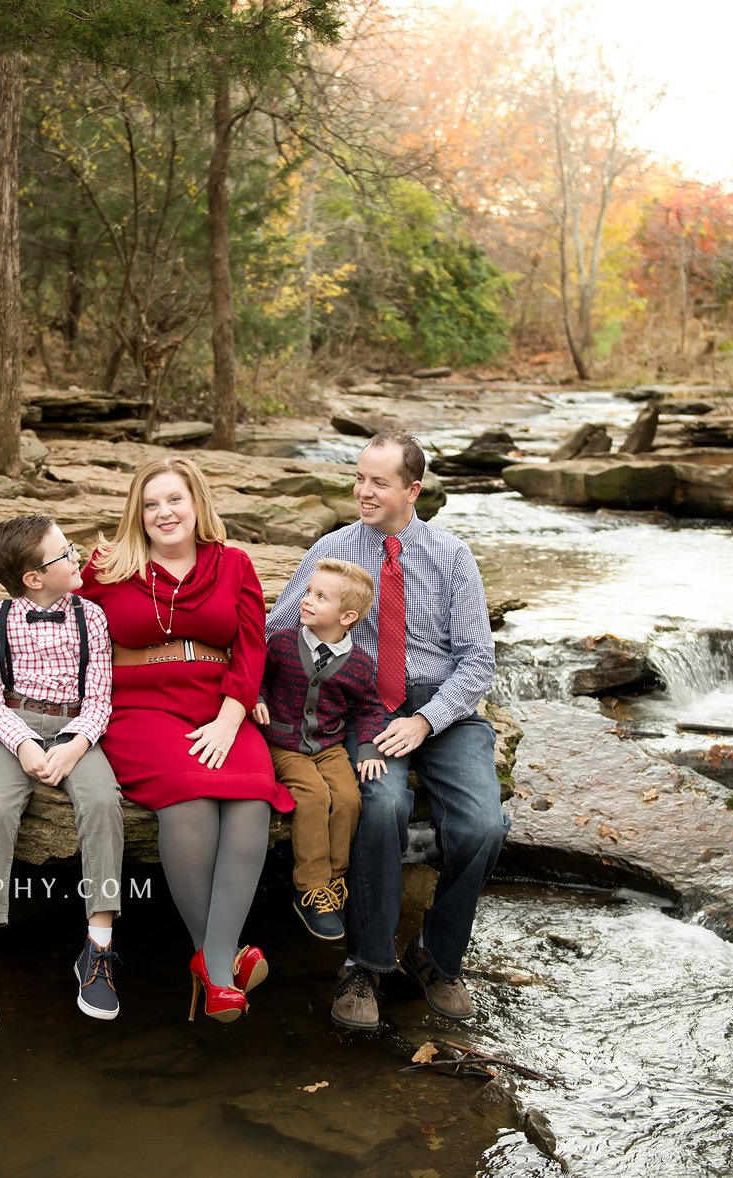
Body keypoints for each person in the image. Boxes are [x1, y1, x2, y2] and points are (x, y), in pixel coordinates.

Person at [265, 431, 502, 1031]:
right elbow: (277, 628)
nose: (362, 491)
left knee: (482, 825)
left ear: (411, 490)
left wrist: (427, 720)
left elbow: (477, 659)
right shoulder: (334, 550)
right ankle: (364, 965)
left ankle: (436, 956)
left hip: (442, 710)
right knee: (383, 802)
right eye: (359, 478)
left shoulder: (452, 556)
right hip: (363, 703)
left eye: (378, 482)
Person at [79, 457, 293, 1023]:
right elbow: (53, 616)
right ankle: (224, 968)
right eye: (150, 504)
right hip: (140, 706)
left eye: (174, 500)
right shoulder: (107, 566)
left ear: (196, 503)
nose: (163, 513)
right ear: (137, 513)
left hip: (218, 703)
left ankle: (210, 960)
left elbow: (252, 647)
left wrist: (231, 717)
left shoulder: (235, 564)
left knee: (251, 799)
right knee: (190, 804)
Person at [0, 513, 122, 1039]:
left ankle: (98, 947)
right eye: (66, 552)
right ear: (33, 577)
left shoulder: (91, 618)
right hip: (11, 726)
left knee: (102, 803)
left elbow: (100, 696)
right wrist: (23, 742)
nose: (78, 557)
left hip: (76, 724)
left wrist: (75, 745)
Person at [251, 559, 389, 941]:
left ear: (347, 616)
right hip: (283, 743)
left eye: (320, 597)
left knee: (346, 797)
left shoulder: (359, 664)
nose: (306, 600)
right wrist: (257, 698)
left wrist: (368, 747)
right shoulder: (281, 643)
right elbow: (257, 676)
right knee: (311, 796)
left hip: (328, 747)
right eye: (308, 592)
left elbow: (369, 708)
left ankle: (334, 881)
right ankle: (310, 888)